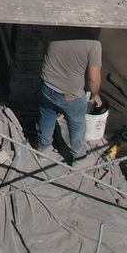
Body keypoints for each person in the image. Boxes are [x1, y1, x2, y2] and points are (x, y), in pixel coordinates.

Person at [35, 31, 102, 160]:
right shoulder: (94, 44)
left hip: (47, 85)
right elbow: (93, 78)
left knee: (47, 115)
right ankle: (79, 157)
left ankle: (43, 149)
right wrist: (96, 94)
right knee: (77, 124)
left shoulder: (56, 29)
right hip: (70, 94)